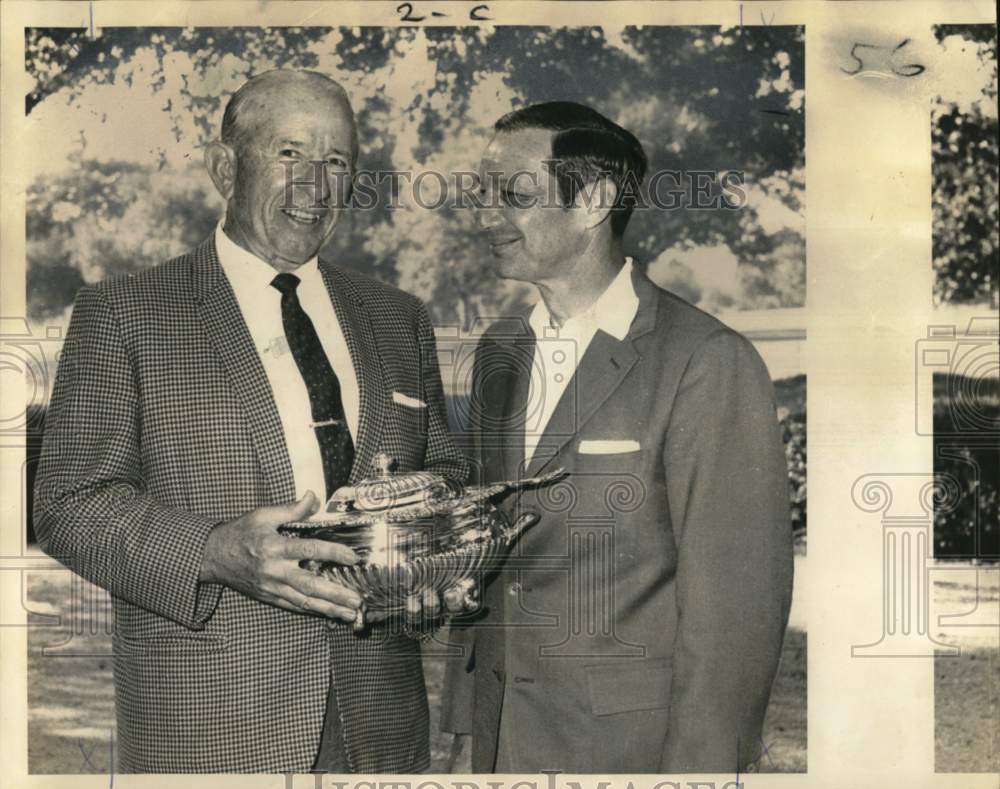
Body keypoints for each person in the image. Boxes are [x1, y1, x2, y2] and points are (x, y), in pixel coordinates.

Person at [33, 70, 466, 773]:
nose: (316, 186)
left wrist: (425, 559)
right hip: (213, 726)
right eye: (290, 154)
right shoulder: (126, 312)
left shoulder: (397, 316)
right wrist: (212, 550)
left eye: (336, 162)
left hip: (383, 726)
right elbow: (67, 505)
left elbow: (444, 475)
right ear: (224, 167)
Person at [442, 102, 793, 773]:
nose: (486, 215)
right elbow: (489, 565)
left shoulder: (707, 360)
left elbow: (733, 622)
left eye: (513, 194)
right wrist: (467, 724)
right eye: (482, 193)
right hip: (498, 744)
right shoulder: (499, 352)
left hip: (629, 753)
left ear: (594, 200)